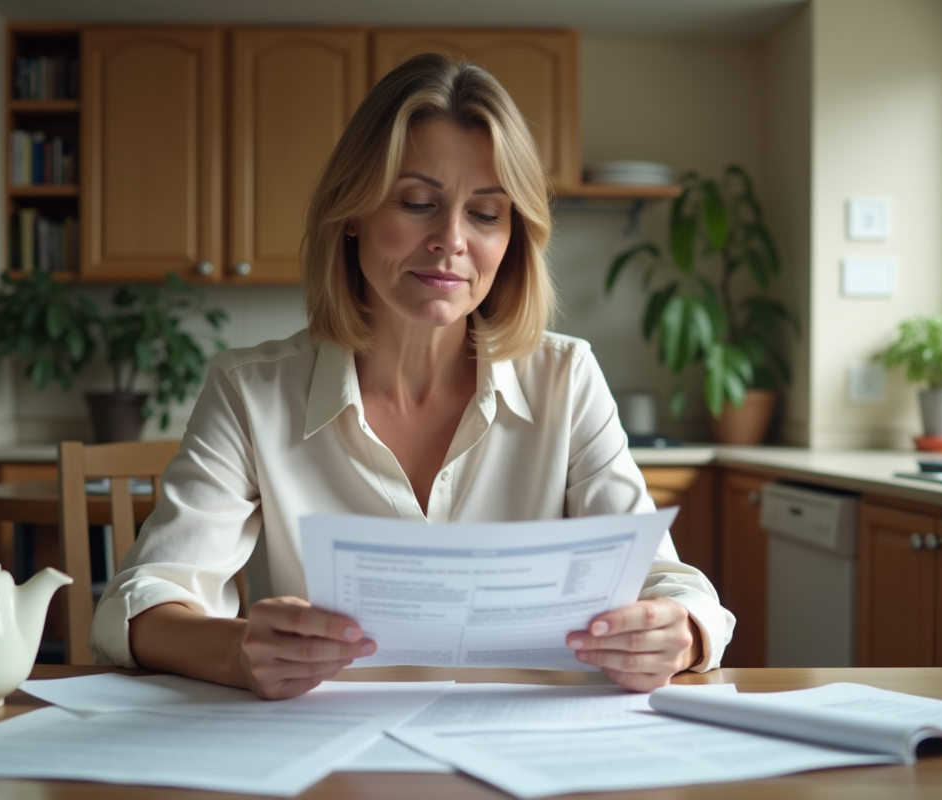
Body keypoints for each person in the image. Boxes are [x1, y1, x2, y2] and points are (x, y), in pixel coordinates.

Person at [92, 53, 735, 700]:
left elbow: (672, 587)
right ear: (351, 214)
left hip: (526, 743)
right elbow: (139, 604)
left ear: (513, 237)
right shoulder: (251, 391)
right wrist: (237, 652)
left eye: (486, 214)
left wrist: (679, 633)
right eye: (418, 202)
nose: (451, 239)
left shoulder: (566, 378)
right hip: (328, 746)